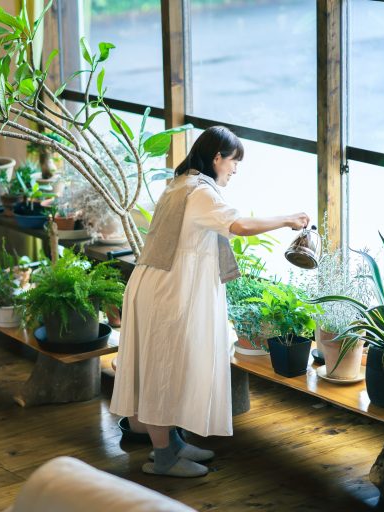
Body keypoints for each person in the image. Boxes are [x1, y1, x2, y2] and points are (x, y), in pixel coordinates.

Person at [109, 126, 309, 477]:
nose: (235, 170)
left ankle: (171, 445)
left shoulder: (182, 182)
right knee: (163, 367)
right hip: (170, 292)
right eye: (234, 162)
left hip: (162, 284)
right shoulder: (200, 192)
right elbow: (240, 225)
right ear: (217, 157)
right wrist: (288, 219)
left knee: (170, 363)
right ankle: (163, 456)